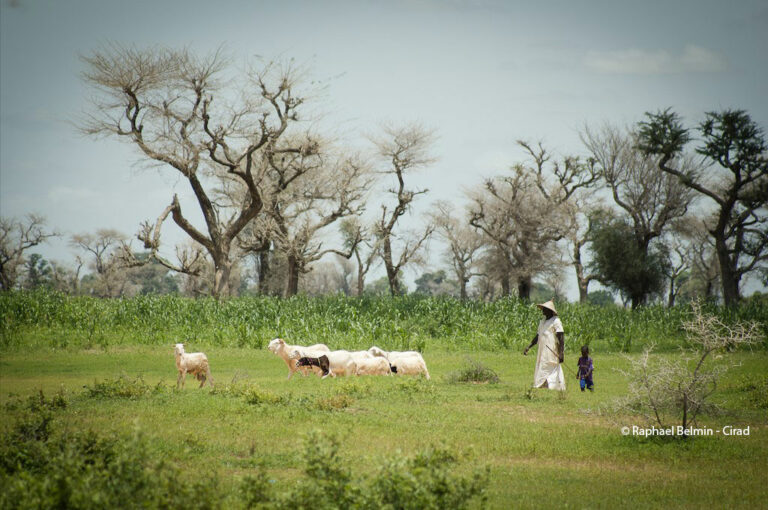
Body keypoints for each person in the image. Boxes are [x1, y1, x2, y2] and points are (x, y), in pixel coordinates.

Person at [523, 300, 565, 390]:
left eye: (544, 309)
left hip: (552, 349)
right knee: (542, 366)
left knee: (551, 366)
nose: (542, 311)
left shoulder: (556, 321)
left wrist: (561, 353)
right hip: (542, 349)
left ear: (550, 310)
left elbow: (561, 337)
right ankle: (543, 384)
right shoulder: (542, 322)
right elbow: (538, 335)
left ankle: (551, 385)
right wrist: (529, 346)